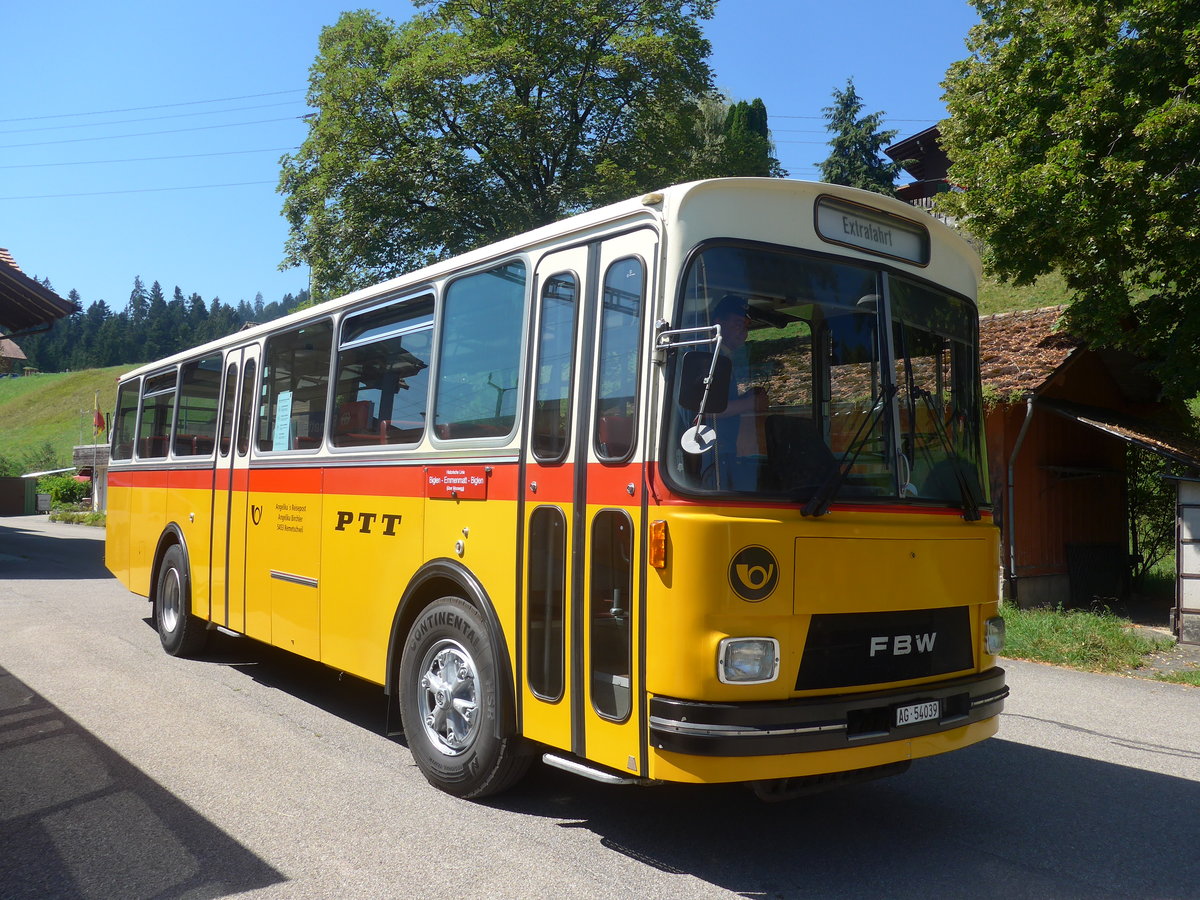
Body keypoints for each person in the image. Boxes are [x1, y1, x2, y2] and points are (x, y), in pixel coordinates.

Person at [711, 294, 765, 488]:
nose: (743, 331)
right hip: (712, 453)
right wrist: (750, 403)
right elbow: (707, 409)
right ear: (718, 323)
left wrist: (745, 397)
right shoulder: (710, 357)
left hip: (726, 449)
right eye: (736, 323)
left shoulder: (723, 357)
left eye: (746, 325)